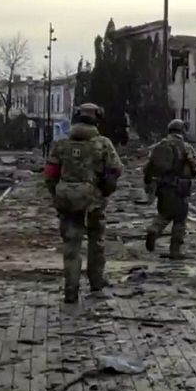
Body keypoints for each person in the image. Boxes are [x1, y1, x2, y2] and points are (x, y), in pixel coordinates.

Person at [43, 103, 122, 303]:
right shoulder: (103, 144)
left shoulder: (60, 144)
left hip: (67, 200)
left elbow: (50, 174)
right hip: (93, 201)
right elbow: (115, 171)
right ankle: (96, 282)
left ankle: (71, 289)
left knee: (71, 246)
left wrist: (57, 193)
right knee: (96, 241)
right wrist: (103, 191)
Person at [143, 119, 196, 259]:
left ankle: (154, 229)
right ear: (182, 131)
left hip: (162, 187)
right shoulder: (185, 147)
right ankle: (175, 250)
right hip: (180, 187)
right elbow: (195, 167)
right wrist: (195, 172)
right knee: (180, 219)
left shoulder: (158, 146)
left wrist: (149, 185)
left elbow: (147, 168)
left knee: (164, 213)